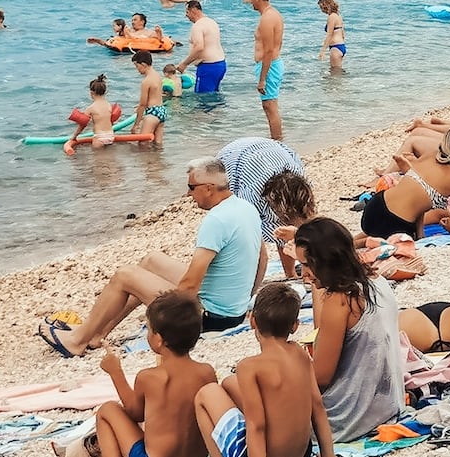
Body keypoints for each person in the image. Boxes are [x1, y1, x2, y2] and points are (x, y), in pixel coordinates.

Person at [39, 159, 262, 358]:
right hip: (232, 311)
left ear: (208, 188)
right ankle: (98, 334)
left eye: (191, 188)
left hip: (209, 318)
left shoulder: (216, 220)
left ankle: (76, 342)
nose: (188, 195)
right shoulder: (245, 208)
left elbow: (190, 285)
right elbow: (263, 256)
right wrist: (243, 297)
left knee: (124, 276)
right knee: (151, 261)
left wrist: (174, 319)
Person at [289, 218, 405, 441]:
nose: (303, 273)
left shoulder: (341, 300)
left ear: (325, 260)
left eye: (306, 264)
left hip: (350, 415)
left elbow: (321, 377)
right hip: (387, 405)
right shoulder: (375, 281)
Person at [194, 284, 335, 457]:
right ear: (295, 326)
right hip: (301, 452)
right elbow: (318, 407)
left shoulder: (249, 367)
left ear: (253, 320)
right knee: (229, 383)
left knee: (206, 393)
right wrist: (328, 454)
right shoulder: (300, 354)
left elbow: (257, 426)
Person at [83, 291, 218, 457]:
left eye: (149, 329)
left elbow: (135, 413)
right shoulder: (207, 372)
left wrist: (116, 373)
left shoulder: (149, 377)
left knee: (107, 410)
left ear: (159, 339)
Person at [362, 129, 450, 239]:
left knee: (370, 235)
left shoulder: (429, 155)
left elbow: (419, 191)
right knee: (371, 241)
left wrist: (420, 235)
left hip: (374, 206)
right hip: (397, 223)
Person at [217, 136, 306, 273]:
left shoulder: (302, 182)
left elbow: (300, 228)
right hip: (233, 157)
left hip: (272, 151)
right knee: (245, 231)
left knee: (288, 231)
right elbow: (250, 237)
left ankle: (291, 273)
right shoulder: (250, 195)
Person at [248, 0, 285, 140]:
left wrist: (262, 78)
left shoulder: (267, 18)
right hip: (271, 64)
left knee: (270, 106)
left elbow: (269, 49)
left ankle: (277, 142)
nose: (250, 1)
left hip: (269, 65)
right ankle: (277, 140)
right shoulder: (272, 14)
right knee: (269, 105)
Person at [178, 1, 227, 95]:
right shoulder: (211, 22)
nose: (186, 15)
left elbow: (199, 47)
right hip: (220, 64)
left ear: (194, 10)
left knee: (203, 99)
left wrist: (184, 64)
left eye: (187, 12)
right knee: (213, 95)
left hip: (208, 67)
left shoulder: (198, 26)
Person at [64, 74, 116, 155]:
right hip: (110, 136)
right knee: (107, 157)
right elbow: (110, 121)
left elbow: (82, 125)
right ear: (105, 92)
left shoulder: (91, 108)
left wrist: (74, 137)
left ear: (91, 93)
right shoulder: (109, 105)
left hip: (99, 137)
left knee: (97, 162)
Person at [133, 51, 168, 147]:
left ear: (143, 64)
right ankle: (157, 161)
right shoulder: (158, 76)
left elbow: (143, 104)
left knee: (142, 143)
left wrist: (136, 125)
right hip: (161, 110)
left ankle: (146, 161)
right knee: (158, 144)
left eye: (137, 66)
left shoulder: (146, 81)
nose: (137, 69)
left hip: (152, 113)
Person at [317, 0, 345, 70]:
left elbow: (329, 35)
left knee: (335, 73)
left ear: (325, 6)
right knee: (337, 72)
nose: (321, 10)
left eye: (321, 7)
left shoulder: (331, 17)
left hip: (335, 48)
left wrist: (323, 51)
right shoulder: (338, 16)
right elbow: (343, 34)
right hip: (341, 46)